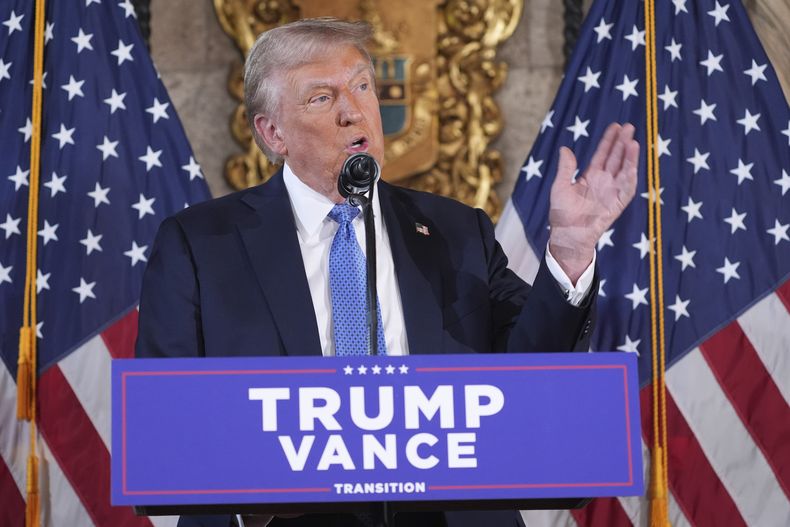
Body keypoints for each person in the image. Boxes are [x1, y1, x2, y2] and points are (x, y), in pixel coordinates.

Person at [135, 17, 638, 527]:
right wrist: (247, 497)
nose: (354, 111)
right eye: (322, 98)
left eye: (362, 86)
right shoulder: (199, 247)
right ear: (272, 132)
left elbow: (535, 373)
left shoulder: (456, 230)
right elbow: (167, 428)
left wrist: (571, 251)